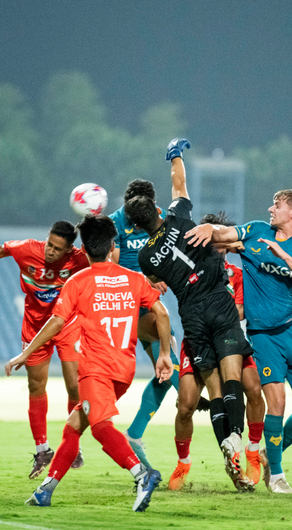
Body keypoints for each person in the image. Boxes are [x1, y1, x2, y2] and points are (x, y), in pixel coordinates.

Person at [5, 214, 173, 512]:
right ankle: (45, 490)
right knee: (73, 427)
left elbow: (57, 322)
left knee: (99, 427)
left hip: (96, 369)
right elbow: (162, 314)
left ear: (82, 246)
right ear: (112, 246)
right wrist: (162, 356)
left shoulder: (78, 281)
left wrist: (25, 353)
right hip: (124, 369)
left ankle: (142, 474)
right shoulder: (134, 279)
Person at [124, 138, 254, 490]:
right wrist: (174, 153)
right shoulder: (180, 216)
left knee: (212, 386)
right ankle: (236, 438)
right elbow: (178, 182)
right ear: (157, 207)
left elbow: (154, 278)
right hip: (218, 299)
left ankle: (228, 451)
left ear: (135, 226)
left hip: (192, 314)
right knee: (232, 380)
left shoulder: (145, 258)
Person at [186, 189, 292, 493]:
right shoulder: (258, 230)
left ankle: (266, 452)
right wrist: (212, 229)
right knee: (276, 401)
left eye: (277, 205)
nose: (270, 208)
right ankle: (276, 475)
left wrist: (283, 255)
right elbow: (228, 234)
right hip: (262, 335)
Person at [0, 221, 89, 478]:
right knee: (36, 386)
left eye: (57, 248)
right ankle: (43, 450)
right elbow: (3, 249)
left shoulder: (79, 260)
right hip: (34, 327)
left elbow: (106, 258)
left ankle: (72, 444)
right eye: (49, 244)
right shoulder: (29, 249)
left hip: (67, 325)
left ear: (68, 250)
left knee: (74, 385)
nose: (50, 251)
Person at [168, 212, 266, 491]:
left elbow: (240, 311)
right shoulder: (189, 269)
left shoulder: (235, 274)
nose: (218, 247)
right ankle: (184, 461)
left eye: (220, 241)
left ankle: (251, 452)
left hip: (228, 337)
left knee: (253, 388)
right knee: (186, 404)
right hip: (198, 339)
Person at [108, 179, 182, 469]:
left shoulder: (156, 217)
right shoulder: (115, 224)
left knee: (164, 369)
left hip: (151, 299)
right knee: (171, 362)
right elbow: (111, 268)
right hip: (131, 302)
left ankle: (134, 434)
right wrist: (147, 278)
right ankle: (201, 403)